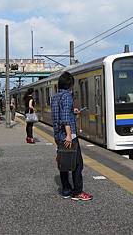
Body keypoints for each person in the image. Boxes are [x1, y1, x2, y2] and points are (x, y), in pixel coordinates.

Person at [51, 72, 92, 201]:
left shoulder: (55, 97)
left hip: (58, 135)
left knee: (64, 162)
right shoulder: (68, 96)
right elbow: (64, 118)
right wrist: (69, 135)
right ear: (70, 84)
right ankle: (77, 192)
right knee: (77, 164)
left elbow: (60, 113)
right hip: (69, 135)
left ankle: (66, 190)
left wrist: (71, 111)